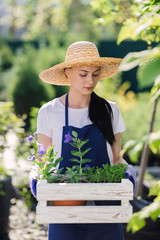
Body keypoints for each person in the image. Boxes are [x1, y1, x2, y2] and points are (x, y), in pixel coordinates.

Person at [29, 41, 136, 240]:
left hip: (105, 210)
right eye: (83, 74)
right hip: (65, 209)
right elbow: (44, 160)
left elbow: (115, 159)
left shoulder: (109, 110)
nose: (90, 81)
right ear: (68, 72)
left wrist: (127, 173)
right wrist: (36, 177)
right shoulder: (49, 112)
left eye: (96, 74)